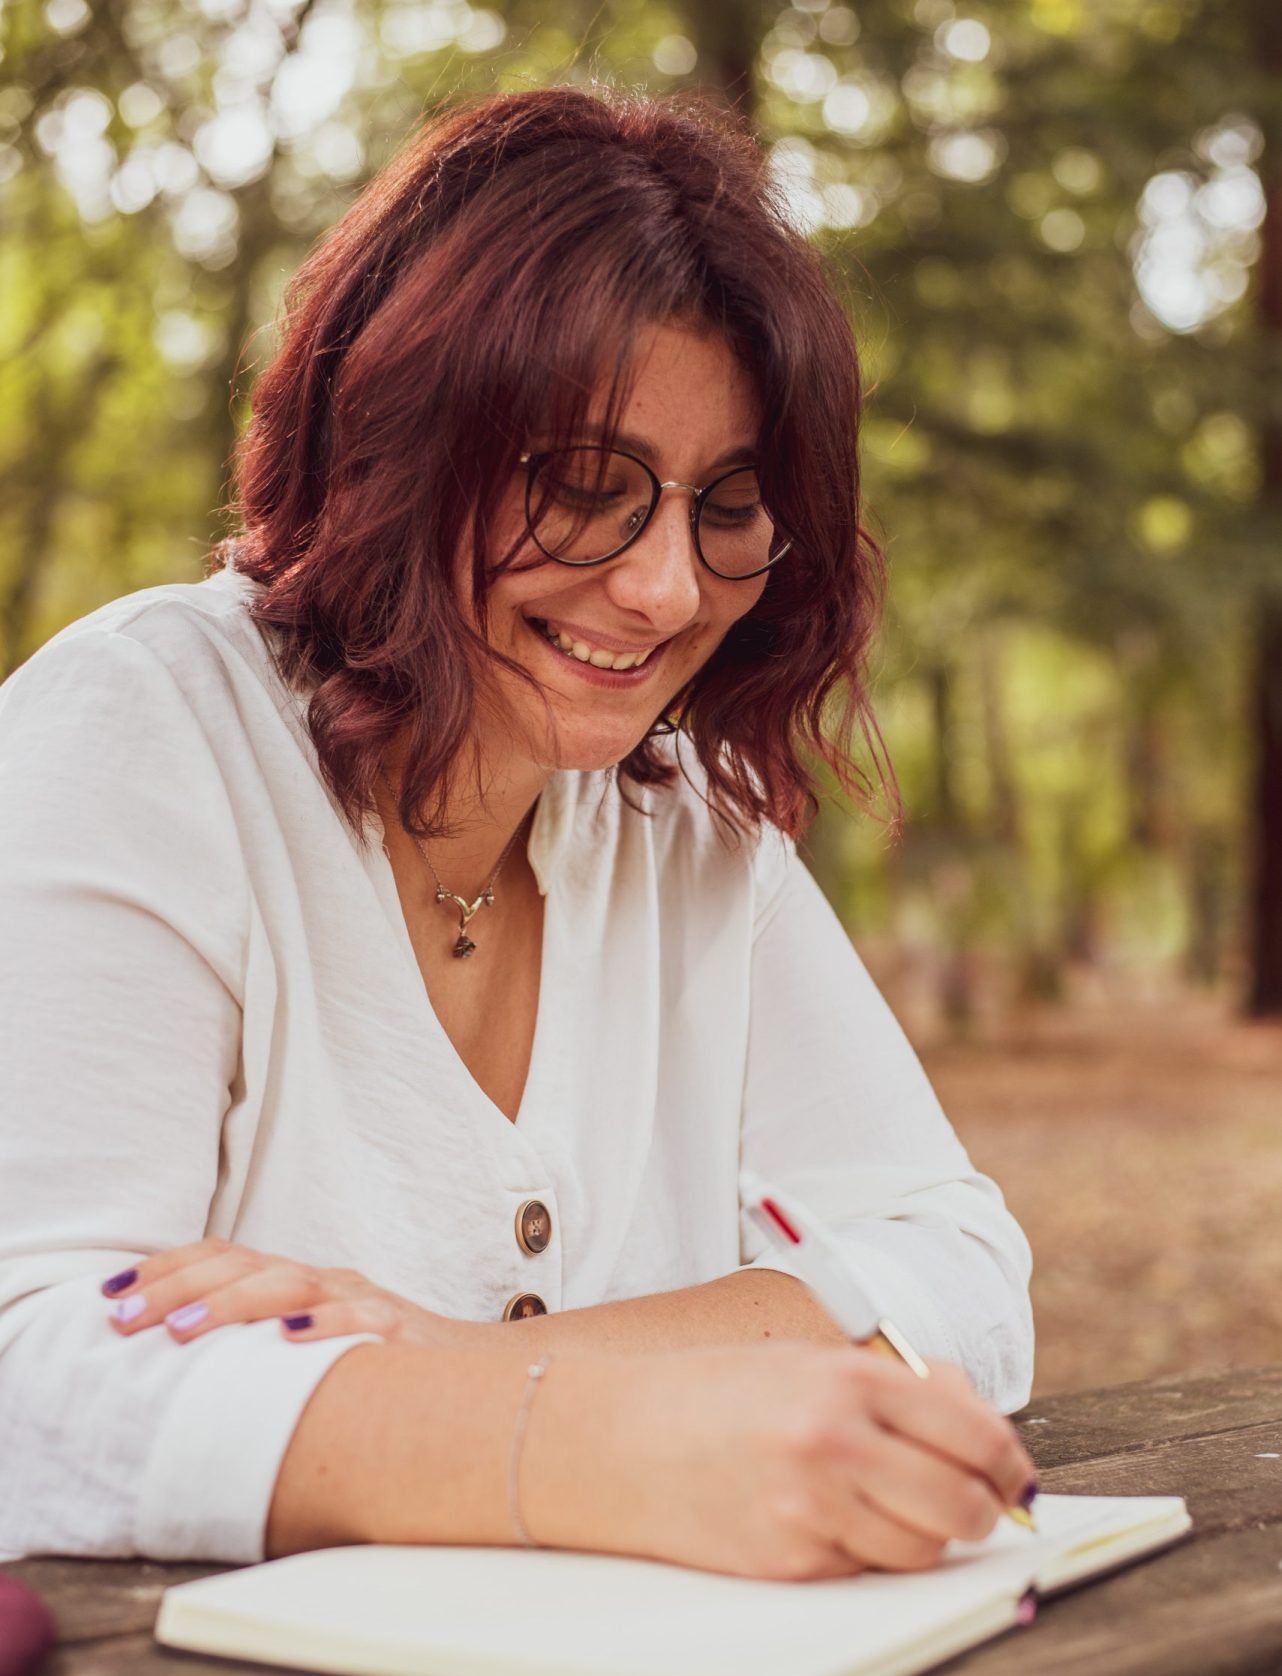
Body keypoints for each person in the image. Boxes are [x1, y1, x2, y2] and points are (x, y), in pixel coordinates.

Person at [0, 85, 1036, 1578]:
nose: (666, 590)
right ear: (398, 447)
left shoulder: (697, 834)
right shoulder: (142, 730)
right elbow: (31, 1366)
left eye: (725, 509)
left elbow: (968, 1275)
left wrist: (467, 1369)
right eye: (585, 486)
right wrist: (587, 1448)